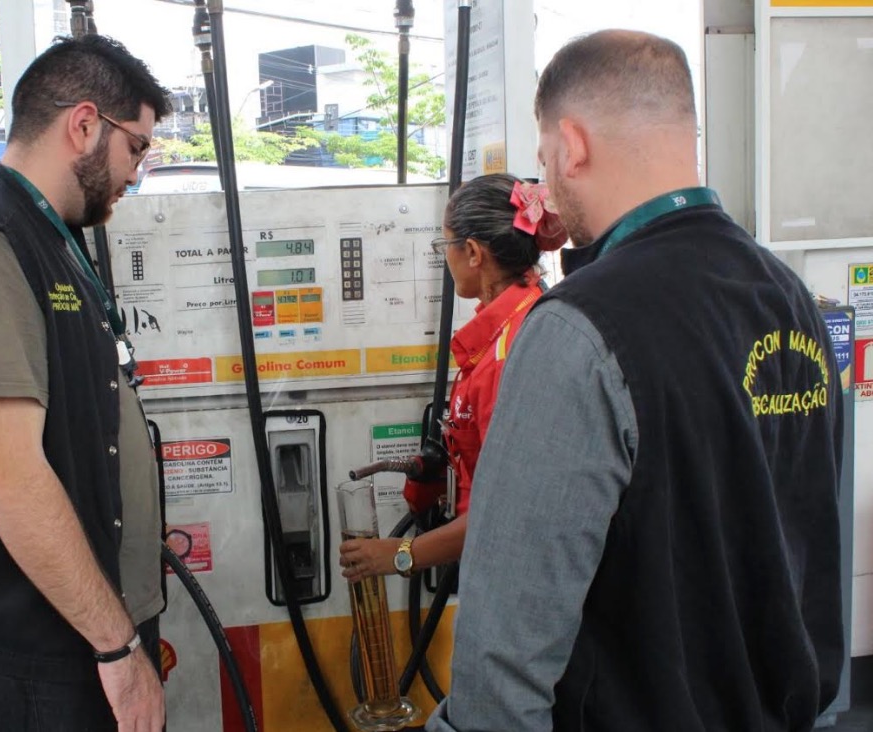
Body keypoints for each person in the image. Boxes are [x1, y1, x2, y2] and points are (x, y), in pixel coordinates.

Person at [428, 30, 844, 732]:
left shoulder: (576, 332)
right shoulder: (788, 297)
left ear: (572, 144)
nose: (547, 182)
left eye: (544, 158)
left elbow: (504, 664)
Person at [0, 35, 172, 731]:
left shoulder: (49, 239)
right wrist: (115, 645)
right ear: (84, 125)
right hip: (29, 645)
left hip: (69, 630)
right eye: (136, 147)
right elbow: (6, 470)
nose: (137, 173)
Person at [339, 173, 567, 583]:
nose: (446, 257)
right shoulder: (508, 328)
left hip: (515, 575)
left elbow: (507, 507)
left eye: (445, 246)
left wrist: (400, 554)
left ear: (474, 253)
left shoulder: (511, 352)